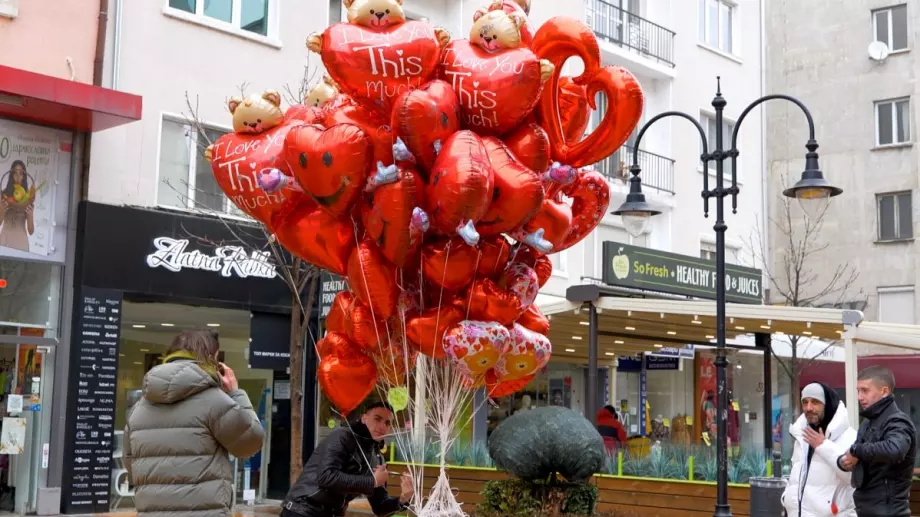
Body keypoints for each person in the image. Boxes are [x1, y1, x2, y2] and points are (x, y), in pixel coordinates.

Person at [125, 329, 265, 517]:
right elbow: (250, 443)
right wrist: (235, 393)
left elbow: (132, 467)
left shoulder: (139, 408)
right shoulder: (215, 401)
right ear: (212, 360)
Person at [283, 402, 413, 517]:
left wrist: (402, 499)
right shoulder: (342, 436)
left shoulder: (377, 458)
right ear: (364, 418)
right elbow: (326, 476)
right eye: (377, 419)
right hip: (302, 510)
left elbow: (379, 507)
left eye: (387, 423)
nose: (382, 426)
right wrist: (372, 481)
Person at [838, 366, 917, 517]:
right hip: (867, 509)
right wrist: (846, 462)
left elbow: (895, 449)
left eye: (865, 390)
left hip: (890, 512)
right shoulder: (868, 422)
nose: (860, 396)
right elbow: (864, 458)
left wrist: (856, 451)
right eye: (858, 391)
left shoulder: (897, 421)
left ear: (884, 391)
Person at [782, 382, 856, 517]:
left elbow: (853, 479)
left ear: (827, 405)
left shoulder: (850, 437)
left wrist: (823, 446)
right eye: (805, 402)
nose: (808, 408)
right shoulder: (801, 435)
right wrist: (787, 501)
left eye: (815, 402)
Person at [0, 160, 35, 252]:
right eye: (15, 173)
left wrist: (30, 215)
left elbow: (31, 231)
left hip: (21, 244)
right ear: (11, 176)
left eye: (21, 173)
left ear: (24, 176)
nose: (18, 176)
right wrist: (1, 212)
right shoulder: (4, 194)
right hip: (4, 241)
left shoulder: (28, 198)